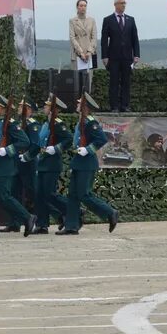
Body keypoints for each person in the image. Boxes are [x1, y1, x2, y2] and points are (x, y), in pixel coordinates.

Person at [58, 94, 119, 236]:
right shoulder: (82, 121)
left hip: (87, 163)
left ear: (85, 107)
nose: (77, 105)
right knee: (73, 195)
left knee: (84, 194)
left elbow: (102, 139)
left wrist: (88, 149)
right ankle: (72, 226)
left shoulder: (91, 123)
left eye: (80, 103)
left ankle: (110, 212)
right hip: (79, 162)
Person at [0, 96, 33, 238]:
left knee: (3, 197)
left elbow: (24, 141)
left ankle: (27, 217)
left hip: (4, 166)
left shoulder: (12, 124)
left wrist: (8, 150)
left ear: (3, 109)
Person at [33, 94, 73, 233]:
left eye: (47, 106)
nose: (44, 107)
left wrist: (55, 148)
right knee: (39, 195)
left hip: (52, 164)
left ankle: (73, 211)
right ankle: (41, 224)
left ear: (53, 109)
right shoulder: (46, 124)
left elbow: (69, 139)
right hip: (42, 163)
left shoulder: (57, 124)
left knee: (50, 194)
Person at [100, 0, 139, 112]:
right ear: (115, 4)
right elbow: (104, 40)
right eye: (122, 3)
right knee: (114, 82)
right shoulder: (108, 20)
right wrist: (104, 56)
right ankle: (114, 106)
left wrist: (136, 54)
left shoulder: (130, 19)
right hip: (113, 57)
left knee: (126, 82)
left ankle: (125, 105)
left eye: (125, 3)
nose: (124, 5)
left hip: (127, 57)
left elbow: (135, 38)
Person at [69, 0, 97, 96]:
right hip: (77, 55)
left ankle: (86, 106)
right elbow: (72, 38)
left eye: (85, 5)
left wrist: (89, 52)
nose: (83, 8)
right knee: (77, 81)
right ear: (77, 7)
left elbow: (94, 38)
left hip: (89, 54)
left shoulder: (92, 20)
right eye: (81, 5)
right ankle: (77, 105)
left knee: (88, 81)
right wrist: (81, 53)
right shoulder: (72, 21)